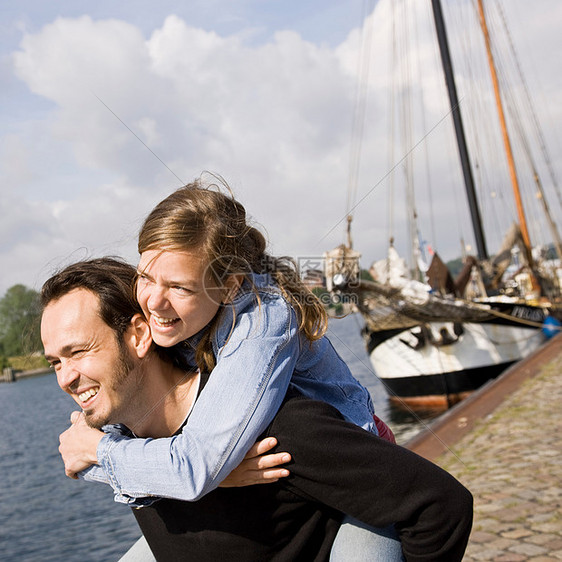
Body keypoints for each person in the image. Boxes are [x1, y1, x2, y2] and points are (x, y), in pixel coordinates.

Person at [42, 257, 473, 561]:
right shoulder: (123, 445)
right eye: (56, 362)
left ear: (139, 336)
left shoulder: (274, 432)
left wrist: (209, 469)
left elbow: (440, 505)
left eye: (78, 351)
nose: (65, 378)